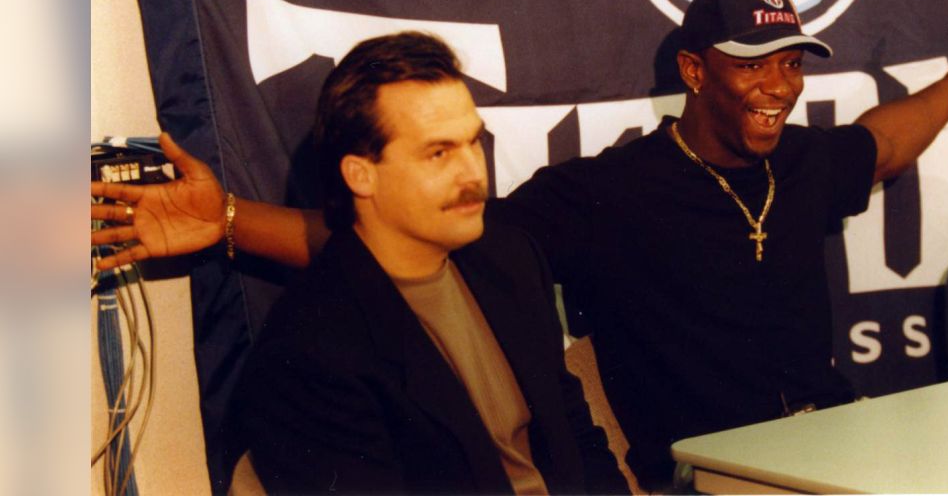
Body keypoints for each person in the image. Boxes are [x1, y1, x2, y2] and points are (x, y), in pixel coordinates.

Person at [92, 0, 948, 490]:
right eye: (753, 63)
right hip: (713, 477)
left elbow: (880, 146)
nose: (778, 83)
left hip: (840, 454)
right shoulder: (609, 194)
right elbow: (399, 243)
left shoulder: (799, 165)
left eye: (792, 63)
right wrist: (224, 221)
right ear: (694, 70)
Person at [98, 33, 627, 494]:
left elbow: (575, 434)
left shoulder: (508, 258)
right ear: (360, 175)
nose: (472, 172)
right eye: (438, 153)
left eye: (473, 142)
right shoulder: (311, 352)